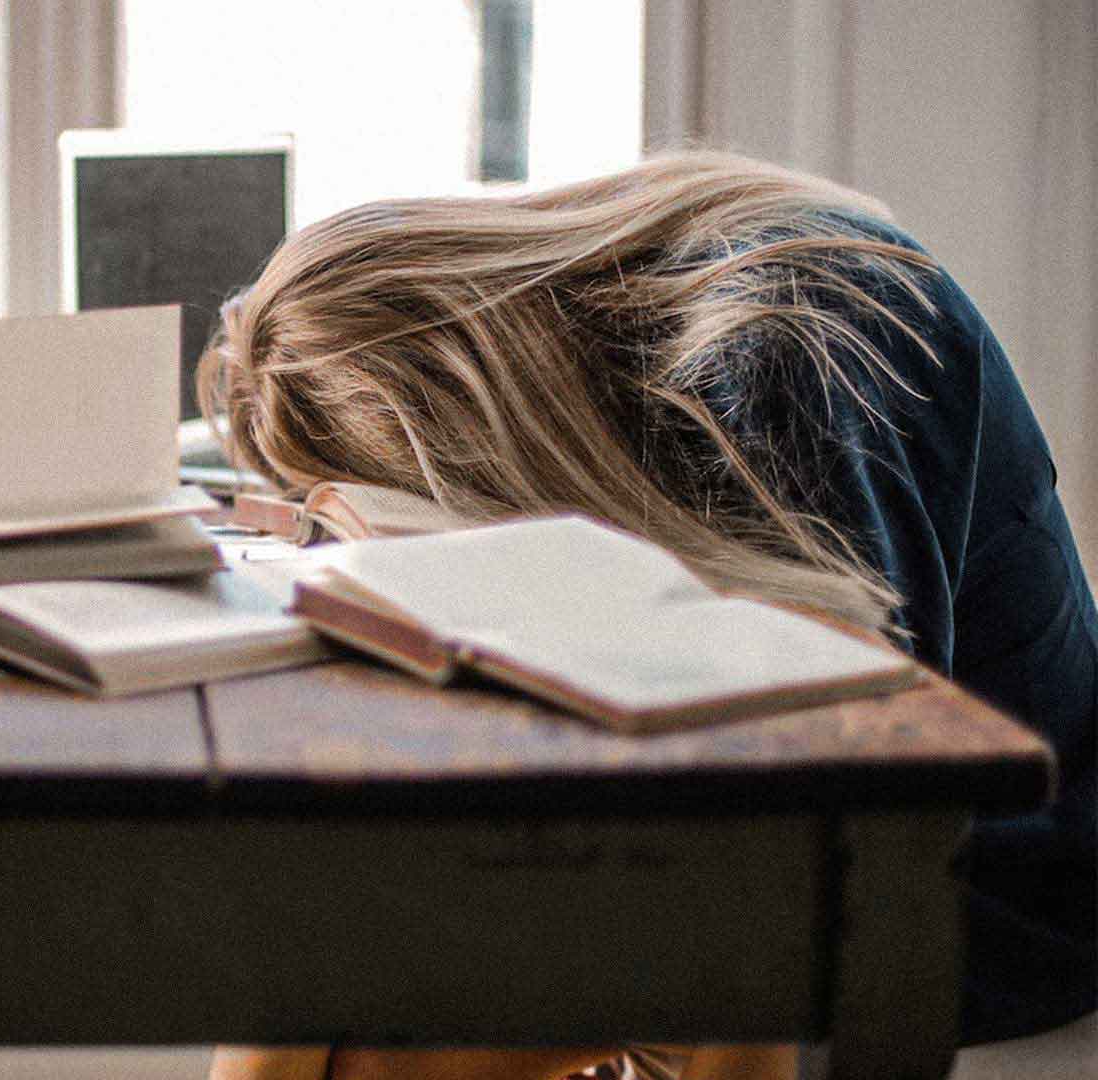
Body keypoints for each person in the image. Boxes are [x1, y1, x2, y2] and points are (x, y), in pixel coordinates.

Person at [197, 152, 1096, 1080]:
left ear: (463, 431)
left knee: (356, 1022)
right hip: (817, 856)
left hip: (1003, 889)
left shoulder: (785, 347)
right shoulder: (665, 329)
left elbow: (838, 810)